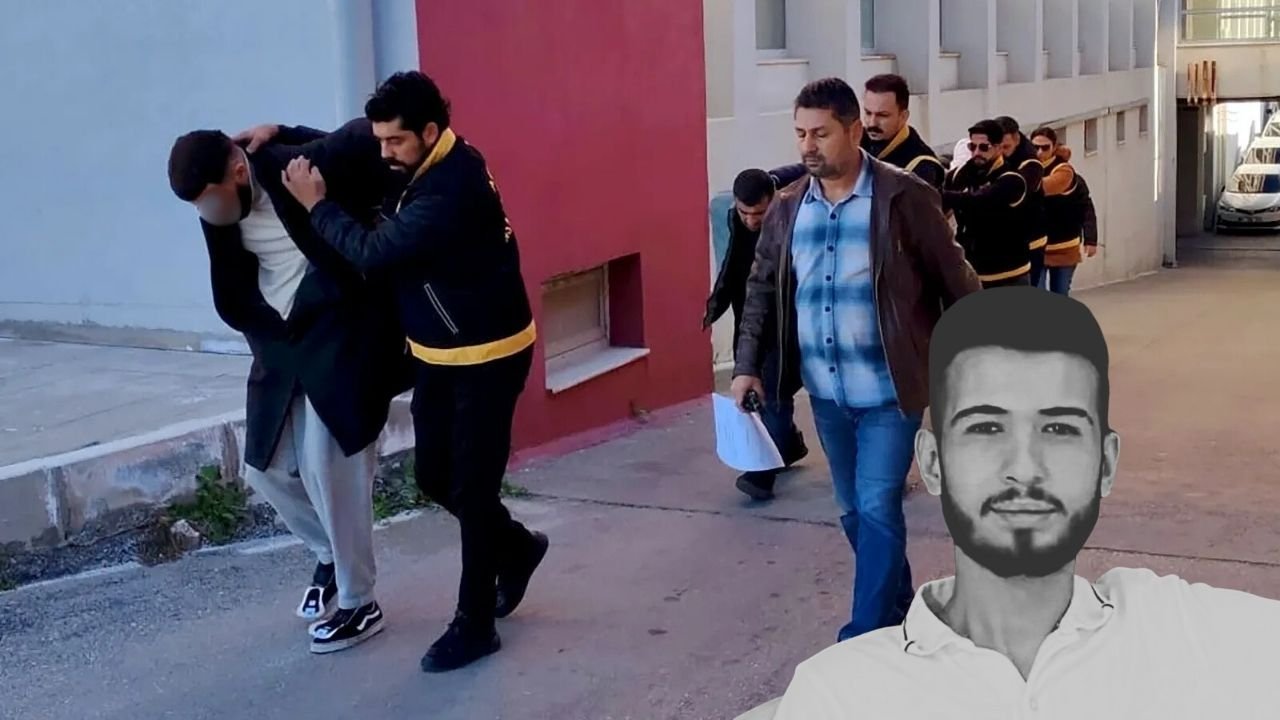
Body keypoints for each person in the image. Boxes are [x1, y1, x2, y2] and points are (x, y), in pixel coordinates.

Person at [770, 287, 1280, 718]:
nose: (1025, 467)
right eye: (986, 428)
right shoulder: (839, 695)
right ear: (932, 462)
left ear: (1106, 463)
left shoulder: (1185, 630)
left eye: (1058, 429)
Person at [276, 70, 549, 673]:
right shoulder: (420, 158)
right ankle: (517, 547)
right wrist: (286, 133)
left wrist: (317, 206)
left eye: (395, 141)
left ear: (429, 131)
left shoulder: (450, 189)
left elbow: (372, 253)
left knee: (473, 489)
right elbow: (354, 138)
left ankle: (475, 625)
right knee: (433, 475)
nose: (384, 153)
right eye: (381, 141)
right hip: (439, 351)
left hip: (488, 355)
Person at [729, 77, 981, 643]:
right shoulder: (788, 208)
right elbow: (760, 290)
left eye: (820, 134)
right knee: (851, 508)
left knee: (876, 504)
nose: (807, 146)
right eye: (800, 134)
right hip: (826, 393)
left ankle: (864, 634)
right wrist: (746, 366)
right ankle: (900, 605)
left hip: (892, 389)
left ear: (852, 130)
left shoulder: (904, 197)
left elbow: (958, 281)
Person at [166, 122, 412, 654]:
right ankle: (330, 553)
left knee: (329, 462)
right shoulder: (219, 213)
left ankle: (359, 602)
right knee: (266, 469)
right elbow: (232, 293)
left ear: (238, 171)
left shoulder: (296, 167)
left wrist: (288, 130)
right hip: (281, 342)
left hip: (340, 332)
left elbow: (369, 137)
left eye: (210, 199)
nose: (207, 213)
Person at [705, 165, 810, 500]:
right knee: (764, 384)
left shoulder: (792, 214)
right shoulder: (737, 217)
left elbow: (807, 169)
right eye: (744, 212)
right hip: (751, 312)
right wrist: (717, 303)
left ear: (773, 200)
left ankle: (762, 473)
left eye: (759, 213)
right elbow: (734, 262)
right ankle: (787, 444)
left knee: (774, 390)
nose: (751, 220)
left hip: (789, 315)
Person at [942, 119, 1031, 288]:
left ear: (998, 148)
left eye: (984, 147)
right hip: (972, 273)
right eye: (972, 146)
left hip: (1009, 276)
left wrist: (938, 195)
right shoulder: (960, 176)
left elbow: (979, 201)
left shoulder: (1012, 179)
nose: (977, 152)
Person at [1031, 127, 1099, 295]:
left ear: (1054, 147)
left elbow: (1086, 207)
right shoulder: (1025, 168)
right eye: (1035, 147)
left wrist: (1090, 239)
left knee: (1060, 293)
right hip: (1035, 248)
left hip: (1064, 247)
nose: (1039, 152)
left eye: (1045, 147)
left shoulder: (1065, 172)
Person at [860, 74, 945, 190]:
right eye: (868, 113)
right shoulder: (855, 141)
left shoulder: (921, 167)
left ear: (903, 116)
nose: (872, 123)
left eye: (883, 115)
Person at [995, 116, 1049, 288]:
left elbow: (1014, 194)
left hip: (1031, 241)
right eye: (998, 147)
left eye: (1006, 147)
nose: (1001, 152)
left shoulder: (1031, 164)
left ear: (1017, 139)